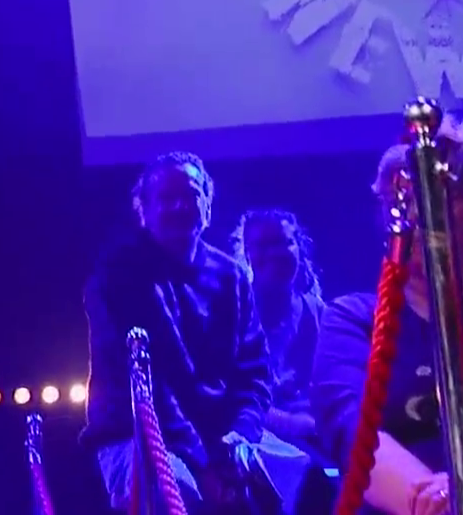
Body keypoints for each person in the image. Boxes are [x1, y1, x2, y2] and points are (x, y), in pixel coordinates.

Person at [312, 118, 463, 515]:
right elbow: (353, 434)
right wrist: (451, 503)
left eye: (437, 195)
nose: (417, 213)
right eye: (400, 199)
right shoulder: (353, 320)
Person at [82, 152, 300, 514]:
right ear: (144, 210)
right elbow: (149, 387)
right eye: (167, 198)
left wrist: (241, 435)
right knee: (176, 492)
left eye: (191, 195)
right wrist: (203, 462)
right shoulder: (118, 275)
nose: (180, 206)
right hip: (136, 432)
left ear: (208, 206)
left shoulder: (231, 276)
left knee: (305, 479)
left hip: (224, 437)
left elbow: (254, 373)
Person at [233, 208, 326, 449]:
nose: (275, 253)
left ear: (299, 250)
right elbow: (228, 395)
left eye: (284, 243)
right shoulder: (232, 314)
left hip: (316, 438)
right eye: (263, 245)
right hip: (253, 440)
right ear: (247, 253)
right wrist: (289, 423)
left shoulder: (318, 314)